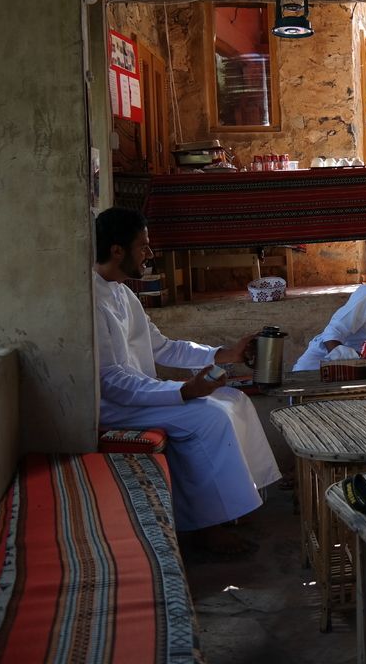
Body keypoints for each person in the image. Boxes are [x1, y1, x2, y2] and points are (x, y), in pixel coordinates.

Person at [93, 207, 281, 553]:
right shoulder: (90, 300)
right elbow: (111, 381)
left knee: (235, 401)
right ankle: (207, 528)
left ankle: (239, 505)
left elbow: (163, 348)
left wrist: (227, 354)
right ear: (117, 250)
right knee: (209, 416)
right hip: (117, 407)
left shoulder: (123, 293)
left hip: (142, 396)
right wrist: (182, 391)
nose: (149, 254)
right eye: (143, 246)